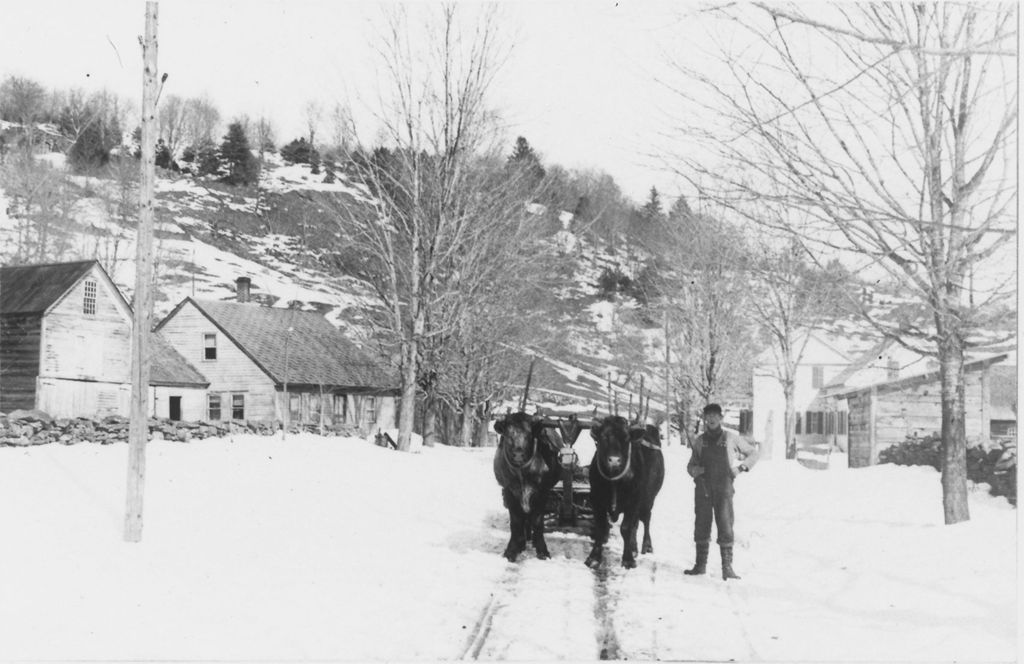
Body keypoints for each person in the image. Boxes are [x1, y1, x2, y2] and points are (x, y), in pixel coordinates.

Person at [684, 403, 759, 580]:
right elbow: (690, 465)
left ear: (721, 418)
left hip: (724, 489)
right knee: (701, 525)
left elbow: (753, 454)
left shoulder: (731, 438)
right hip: (703, 488)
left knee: (725, 525)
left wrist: (740, 468)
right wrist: (696, 470)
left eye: (715, 416)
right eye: (708, 416)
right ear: (705, 419)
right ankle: (700, 565)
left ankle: (727, 568)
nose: (711, 419)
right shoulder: (700, 441)